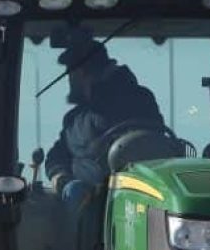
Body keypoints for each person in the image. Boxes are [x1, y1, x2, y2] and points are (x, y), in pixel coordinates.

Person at [44, 38, 163, 201]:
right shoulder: (143, 98)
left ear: (81, 72)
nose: (69, 79)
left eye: (70, 72)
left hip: (122, 196)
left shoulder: (129, 103)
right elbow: (57, 156)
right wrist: (60, 178)